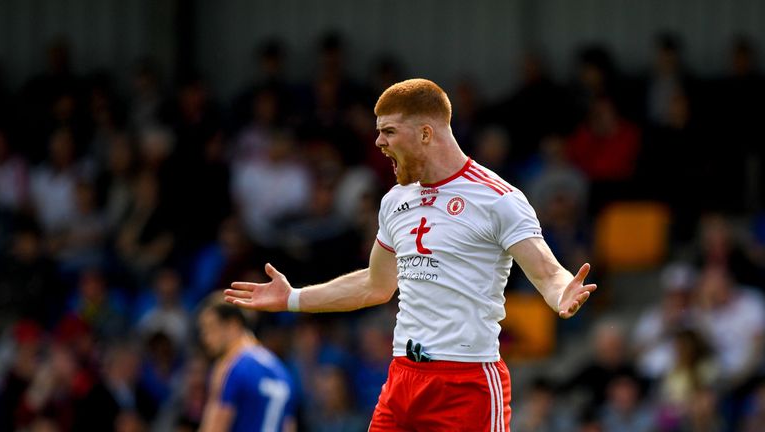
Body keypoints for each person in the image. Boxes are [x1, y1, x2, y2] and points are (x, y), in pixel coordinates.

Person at [224, 78, 597, 431]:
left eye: (388, 131)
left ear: (424, 133)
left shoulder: (497, 199)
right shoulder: (395, 201)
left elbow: (547, 271)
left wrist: (562, 290)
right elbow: (375, 284)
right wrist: (293, 298)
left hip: (466, 384)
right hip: (403, 377)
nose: (378, 142)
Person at [197, 295, 296, 432]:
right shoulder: (281, 371)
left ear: (233, 325)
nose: (205, 337)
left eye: (210, 327)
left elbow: (215, 427)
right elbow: (289, 426)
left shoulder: (228, 367)